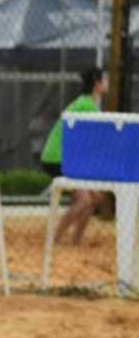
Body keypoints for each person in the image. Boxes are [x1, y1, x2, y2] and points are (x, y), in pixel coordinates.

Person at [41, 67, 109, 245]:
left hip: (66, 158)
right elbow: (93, 143)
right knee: (86, 200)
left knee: (92, 198)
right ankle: (54, 239)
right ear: (97, 83)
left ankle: (76, 240)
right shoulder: (86, 106)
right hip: (57, 159)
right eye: (105, 79)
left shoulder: (86, 103)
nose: (107, 82)